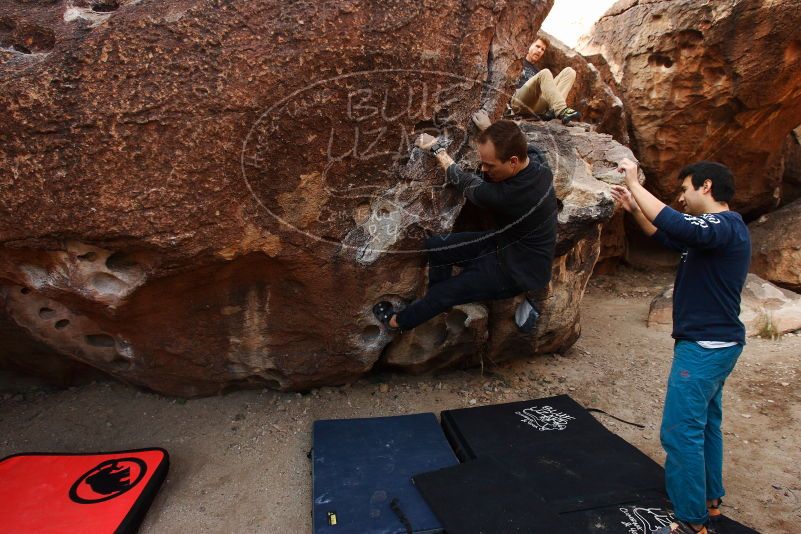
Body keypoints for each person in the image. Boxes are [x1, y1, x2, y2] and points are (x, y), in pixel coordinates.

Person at [611, 159, 751, 534]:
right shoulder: (713, 235)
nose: (681, 197)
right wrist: (635, 207)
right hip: (716, 343)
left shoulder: (723, 225)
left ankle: (691, 521)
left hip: (704, 347)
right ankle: (708, 498)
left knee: (679, 430)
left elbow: (677, 223)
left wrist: (635, 183)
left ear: (706, 186)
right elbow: (668, 236)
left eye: (685, 189)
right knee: (705, 426)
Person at [373, 117, 557, 334]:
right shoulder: (537, 162)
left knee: (446, 292)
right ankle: (437, 301)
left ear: (513, 162)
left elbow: (463, 180)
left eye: (490, 165)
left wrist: (437, 149)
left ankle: (396, 322)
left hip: (518, 269)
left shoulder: (508, 195)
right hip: (506, 242)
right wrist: (492, 132)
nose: (484, 169)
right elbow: (517, 140)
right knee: (436, 246)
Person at [510, 35, 580, 124]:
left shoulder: (538, 71)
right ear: (529, 45)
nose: (539, 51)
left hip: (536, 107)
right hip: (518, 102)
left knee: (570, 72)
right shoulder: (518, 61)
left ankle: (554, 111)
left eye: (542, 49)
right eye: (537, 46)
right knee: (545, 72)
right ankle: (562, 110)